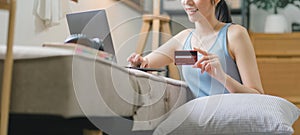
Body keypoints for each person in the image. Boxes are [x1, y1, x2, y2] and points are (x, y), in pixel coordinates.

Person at [127, 0, 264, 98]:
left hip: (230, 119)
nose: (187, 2)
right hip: (199, 121)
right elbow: (145, 64)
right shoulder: (183, 40)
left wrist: (222, 77)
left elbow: (257, 95)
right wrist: (137, 63)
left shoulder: (234, 35)